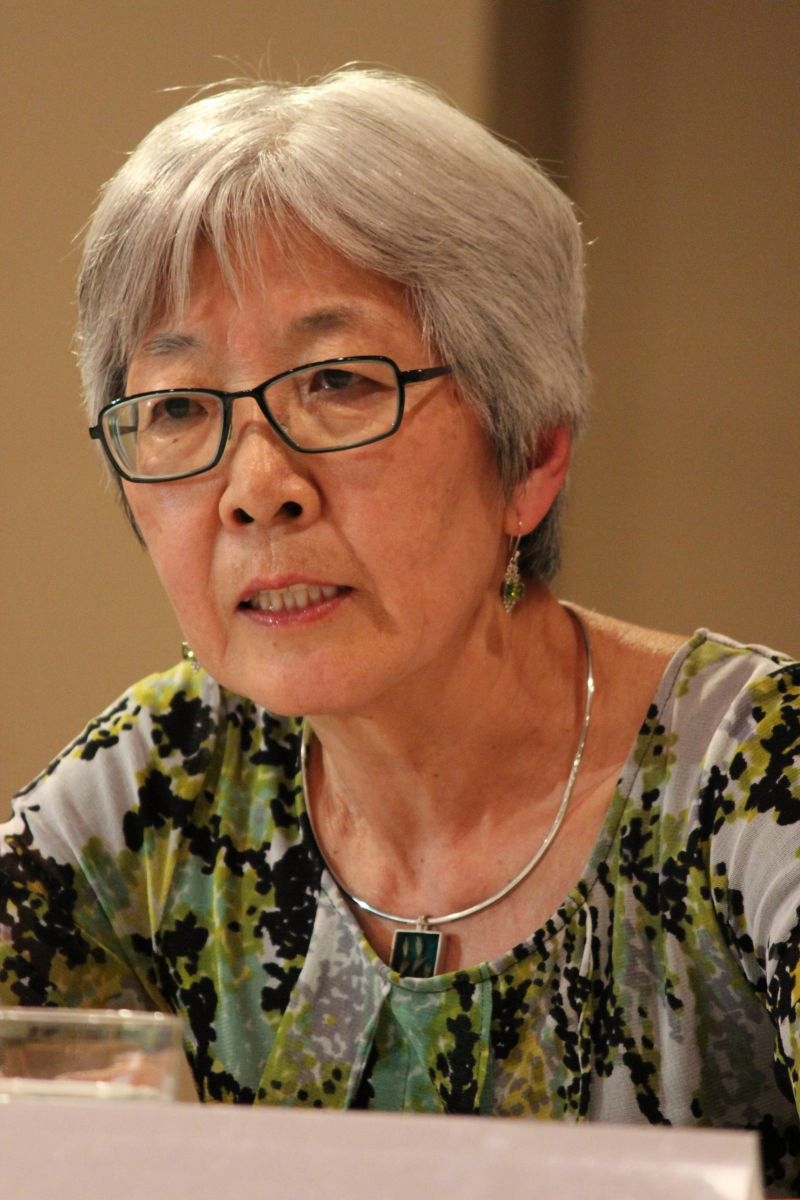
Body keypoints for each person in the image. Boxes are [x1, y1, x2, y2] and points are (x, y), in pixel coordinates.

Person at [1, 67, 798, 1193]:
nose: (257, 488)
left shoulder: (757, 783)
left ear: (529, 455)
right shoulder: (162, 787)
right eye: (177, 407)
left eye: (336, 383)